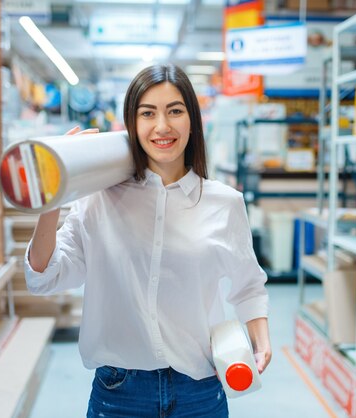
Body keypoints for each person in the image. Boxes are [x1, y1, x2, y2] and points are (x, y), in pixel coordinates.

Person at [25, 64, 271, 417]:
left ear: (192, 120)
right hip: (119, 394)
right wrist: (55, 190)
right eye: (147, 113)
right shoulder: (98, 198)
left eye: (175, 111)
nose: (162, 126)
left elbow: (248, 286)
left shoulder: (224, 203)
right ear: (131, 123)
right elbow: (43, 276)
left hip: (200, 391)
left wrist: (261, 342)